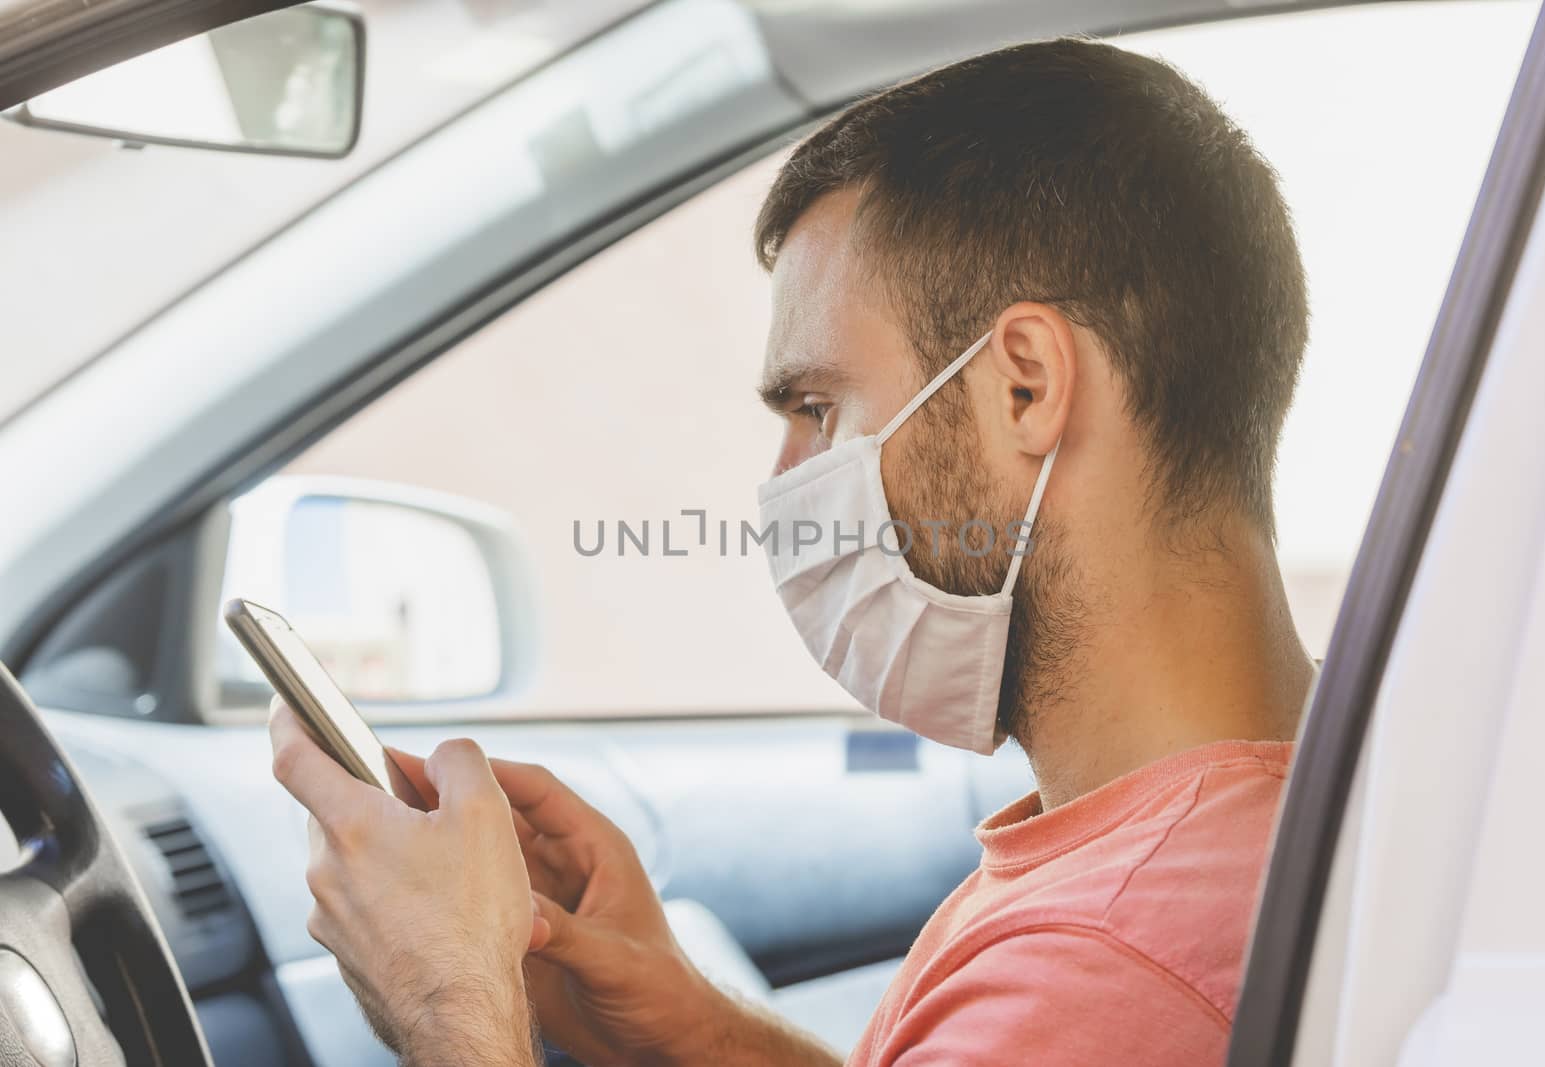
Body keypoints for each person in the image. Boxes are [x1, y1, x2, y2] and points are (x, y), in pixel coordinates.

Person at [267, 34, 1315, 1067]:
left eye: (819, 405)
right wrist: (689, 1026)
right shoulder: (1240, 828)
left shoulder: (1108, 970)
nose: (786, 477)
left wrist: (452, 997)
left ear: (1025, 386)